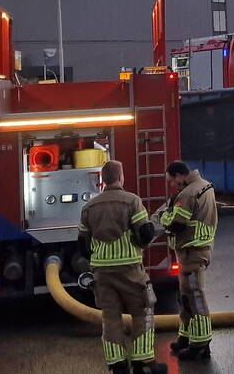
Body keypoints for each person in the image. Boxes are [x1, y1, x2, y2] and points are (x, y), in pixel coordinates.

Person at [78, 160, 165, 374]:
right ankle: (143, 363)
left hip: (101, 273)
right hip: (130, 270)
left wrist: (98, 257)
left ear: (102, 180)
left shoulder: (88, 207)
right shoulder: (132, 201)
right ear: (121, 177)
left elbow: (82, 244)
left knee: (110, 316)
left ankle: (117, 365)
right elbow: (145, 234)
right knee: (142, 311)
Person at [155, 161, 218, 361]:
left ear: (179, 175)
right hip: (195, 251)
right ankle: (186, 337)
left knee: (194, 298)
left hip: (192, 251)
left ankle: (200, 345)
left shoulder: (188, 194)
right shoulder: (205, 185)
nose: (172, 184)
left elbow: (178, 224)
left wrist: (163, 218)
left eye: (172, 180)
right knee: (185, 298)